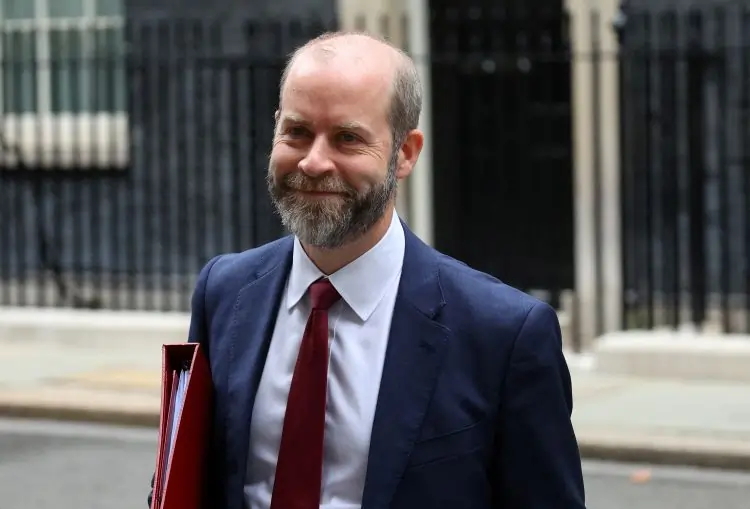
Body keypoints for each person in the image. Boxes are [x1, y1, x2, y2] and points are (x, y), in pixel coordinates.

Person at [148, 31, 586, 509]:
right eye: (296, 132)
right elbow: (186, 481)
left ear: (406, 153)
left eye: (347, 138)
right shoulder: (223, 291)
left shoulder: (505, 335)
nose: (314, 162)